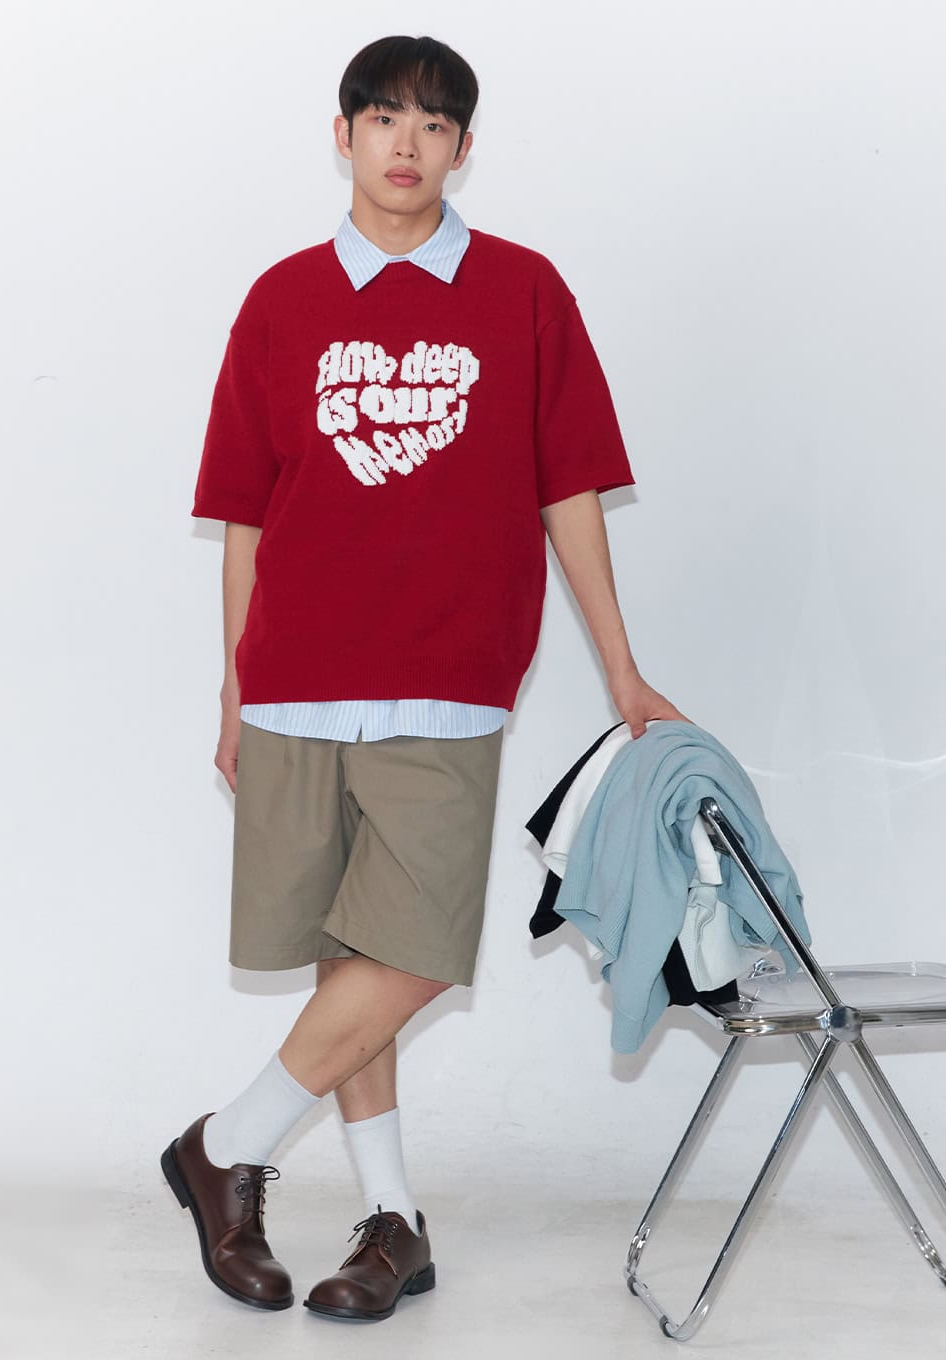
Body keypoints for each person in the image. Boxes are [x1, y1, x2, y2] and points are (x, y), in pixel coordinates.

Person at [162, 32, 686, 1323]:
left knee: (414, 949)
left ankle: (224, 1148)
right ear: (342, 134)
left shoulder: (523, 293)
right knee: (350, 958)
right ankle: (393, 1224)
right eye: (385, 118)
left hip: (448, 676)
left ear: (463, 148)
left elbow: (570, 488)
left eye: (436, 124)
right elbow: (247, 514)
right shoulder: (282, 301)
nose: (408, 143)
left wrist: (624, 671)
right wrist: (233, 689)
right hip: (295, 680)